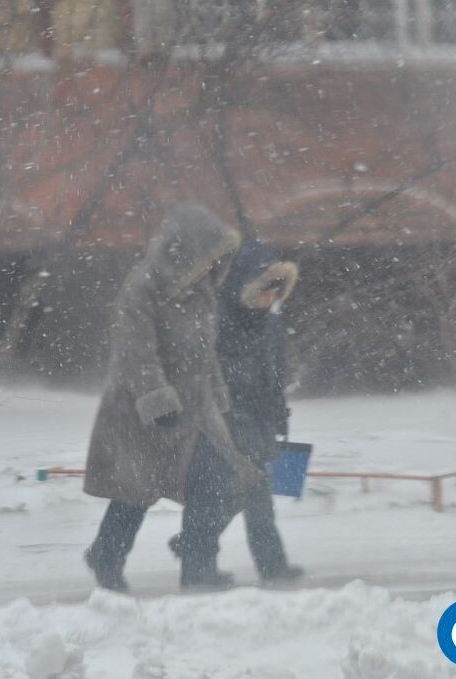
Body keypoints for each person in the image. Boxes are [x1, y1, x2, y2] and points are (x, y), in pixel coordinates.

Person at [82, 202, 263, 592]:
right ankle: (106, 555)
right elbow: (135, 351)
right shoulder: (142, 288)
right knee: (135, 492)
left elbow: (206, 354)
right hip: (141, 414)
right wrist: (157, 400)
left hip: (196, 412)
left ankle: (198, 566)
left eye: (215, 259)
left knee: (216, 483)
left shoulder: (203, 293)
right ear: (182, 251)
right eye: (204, 257)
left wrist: (219, 399)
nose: (208, 268)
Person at [169, 239, 304, 583]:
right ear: (244, 286)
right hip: (217, 426)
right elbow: (210, 376)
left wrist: (277, 413)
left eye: (275, 291)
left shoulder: (267, 325)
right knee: (209, 498)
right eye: (263, 290)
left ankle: (271, 566)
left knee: (257, 500)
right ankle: (197, 570)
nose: (269, 299)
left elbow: (272, 375)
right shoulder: (219, 323)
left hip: (254, 425)